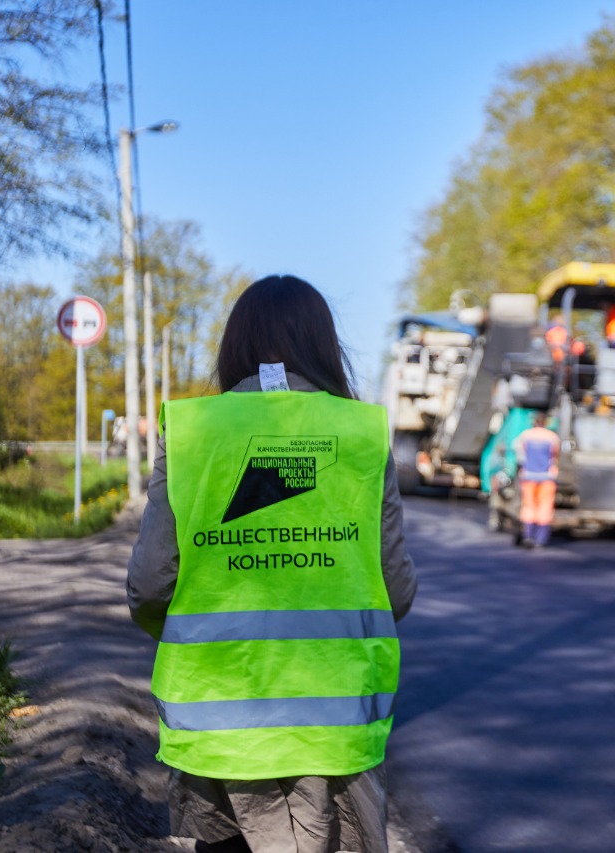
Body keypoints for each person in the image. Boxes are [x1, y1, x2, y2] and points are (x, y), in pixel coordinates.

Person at [126, 275, 418, 853]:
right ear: (323, 345)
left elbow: (150, 585)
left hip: (215, 734)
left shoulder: (191, 434)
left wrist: (209, 630)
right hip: (335, 736)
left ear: (235, 346)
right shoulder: (361, 434)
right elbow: (395, 590)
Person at [513, 412, 560, 548]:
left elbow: (520, 455)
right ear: (546, 422)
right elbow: (555, 456)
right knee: (545, 507)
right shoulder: (552, 437)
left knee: (528, 505)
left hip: (529, 476)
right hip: (547, 477)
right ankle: (541, 539)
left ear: (534, 421)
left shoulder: (526, 435)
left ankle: (529, 535)